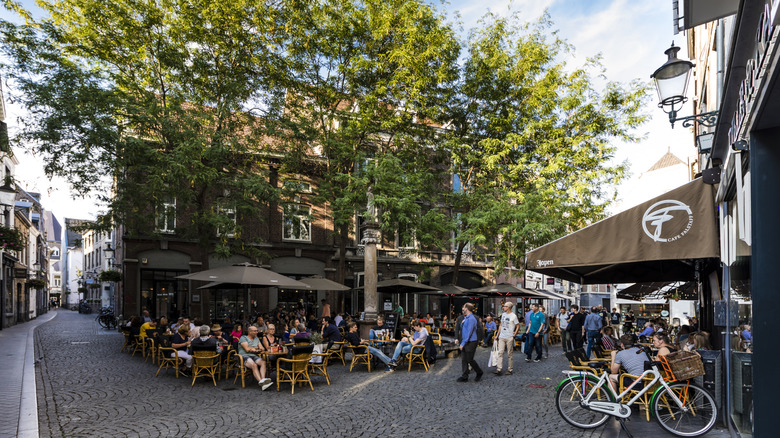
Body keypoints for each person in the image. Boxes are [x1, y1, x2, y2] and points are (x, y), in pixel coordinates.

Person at [238, 325, 273, 390]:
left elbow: (262, 348)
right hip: (244, 356)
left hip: (254, 355)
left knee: (263, 362)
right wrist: (256, 348)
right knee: (254, 365)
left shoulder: (256, 338)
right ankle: (261, 382)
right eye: (254, 331)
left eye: (257, 331)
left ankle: (263, 380)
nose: (256, 332)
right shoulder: (243, 338)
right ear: (249, 332)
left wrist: (255, 349)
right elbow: (247, 349)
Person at [457, 303, 483, 382]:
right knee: (464, 359)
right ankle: (465, 376)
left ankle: (479, 372)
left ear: (466, 309)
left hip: (471, 342)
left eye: (464, 307)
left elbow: (469, 333)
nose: (463, 309)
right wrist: (462, 323)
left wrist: (462, 344)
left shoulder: (471, 319)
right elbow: (463, 329)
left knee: (469, 360)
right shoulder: (467, 318)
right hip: (466, 341)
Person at [493, 301, 519, 376]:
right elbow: (501, 325)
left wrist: (514, 334)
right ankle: (499, 369)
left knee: (509, 353)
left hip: (509, 336)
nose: (503, 307)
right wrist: (497, 335)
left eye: (504, 306)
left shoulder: (513, 316)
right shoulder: (503, 314)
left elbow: (517, 326)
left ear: (508, 307)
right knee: (500, 353)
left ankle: (510, 369)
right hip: (501, 336)